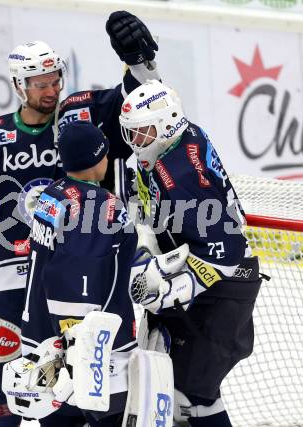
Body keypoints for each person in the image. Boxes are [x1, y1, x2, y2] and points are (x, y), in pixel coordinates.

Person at [0, 11, 160, 427]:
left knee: (78, 367)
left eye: (54, 80)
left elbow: (136, 99)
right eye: (39, 84)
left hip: (76, 266)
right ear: (19, 85)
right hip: (14, 265)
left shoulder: (83, 115)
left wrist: (141, 62)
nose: (50, 91)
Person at [118, 79, 264, 427]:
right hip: (215, 276)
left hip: (227, 284)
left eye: (143, 133)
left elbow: (226, 253)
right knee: (186, 394)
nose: (136, 142)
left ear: (167, 124)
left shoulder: (182, 177)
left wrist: (175, 289)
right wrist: (147, 249)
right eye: (132, 133)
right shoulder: (175, 141)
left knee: (189, 397)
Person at [4, 120, 138, 426]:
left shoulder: (50, 196)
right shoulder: (101, 206)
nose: (108, 158)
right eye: (104, 152)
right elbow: (76, 278)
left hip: (41, 339)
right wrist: (80, 345)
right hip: (87, 349)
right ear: (96, 157)